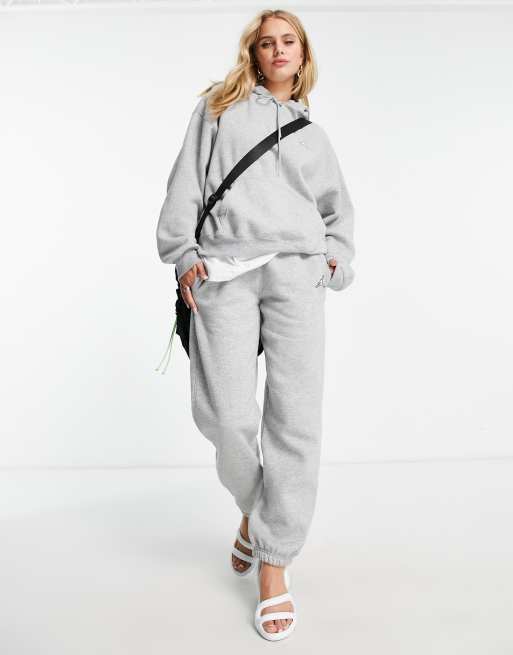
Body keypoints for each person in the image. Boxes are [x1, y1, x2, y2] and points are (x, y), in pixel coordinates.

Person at [156, 8, 355, 641]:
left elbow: (337, 214)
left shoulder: (313, 136)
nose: (277, 50)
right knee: (224, 415)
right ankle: (260, 511)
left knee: (295, 421)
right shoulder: (218, 109)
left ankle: (273, 560)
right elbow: (185, 184)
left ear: (302, 54)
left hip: (297, 275)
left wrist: (334, 258)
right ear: (254, 52)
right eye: (266, 42)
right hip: (225, 270)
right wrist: (182, 254)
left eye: (288, 41)